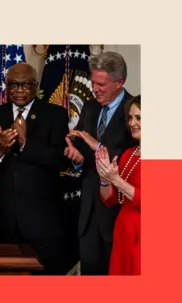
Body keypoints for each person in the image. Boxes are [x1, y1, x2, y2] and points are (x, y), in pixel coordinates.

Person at [0, 62, 73, 274]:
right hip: (7, 220)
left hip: (44, 223)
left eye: (25, 85)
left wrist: (25, 143)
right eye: (13, 85)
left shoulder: (55, 115)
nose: (19, 90)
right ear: (6, 87)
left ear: (36, 86)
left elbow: (61, 161)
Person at [64, 51, 136, 275]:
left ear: (119, 82)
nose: (94, 88)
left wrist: (98, 146)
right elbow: (86, 154)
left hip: (119, 212)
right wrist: (77, 157)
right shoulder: (90, 107)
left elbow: (135, 157)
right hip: (88, 211)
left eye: (100, 84)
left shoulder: (135, 112)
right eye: (93, 82)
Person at [96, 95, 141, 275]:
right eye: (130, 118)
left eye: (139, 118)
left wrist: (116, 179)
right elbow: (110, 198)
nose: (132, 123)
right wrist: (105, 177)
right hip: (123, 233)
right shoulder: (129, 154)